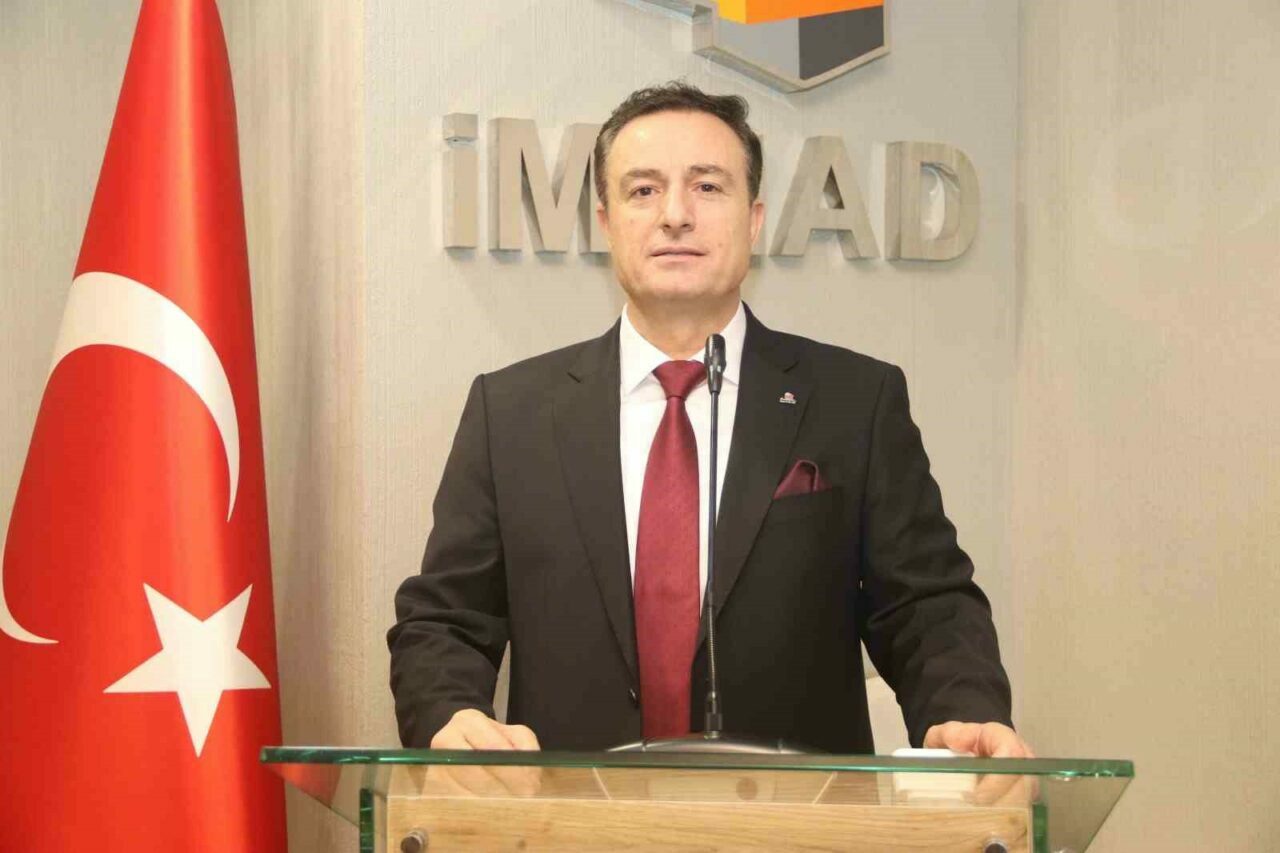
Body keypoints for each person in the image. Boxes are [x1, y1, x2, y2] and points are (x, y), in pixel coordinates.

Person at [388, 82, 1031, 758]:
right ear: (605, 222)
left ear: (753, 220)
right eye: (643, 190)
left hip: (794, 810)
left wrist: (964, 711)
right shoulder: (511, 413)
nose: (675, 215)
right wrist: (449, 712)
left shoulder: (855, 401)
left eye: (707, 187)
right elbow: (445, 619)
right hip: (572, 808)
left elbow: (926, 605)